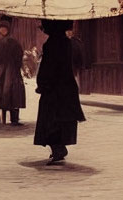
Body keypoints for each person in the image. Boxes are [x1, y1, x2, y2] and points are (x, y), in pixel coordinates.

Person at [34, 20, 86, 164]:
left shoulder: (51, 44)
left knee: (50, 120)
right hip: (67, 87)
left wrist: (42, 83)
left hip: (53, 88)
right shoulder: (68, 43)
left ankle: (58, 149)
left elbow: (47, 67)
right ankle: (59, 148)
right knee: (62, 120)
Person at [0, 16, 26, 126]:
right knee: (0, 93)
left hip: (12, 72)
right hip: (1, 72)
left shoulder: (14, 43)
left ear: (8, 29)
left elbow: (19, 57)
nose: (3, 30)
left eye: (5, 28)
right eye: (1, 28)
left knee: (13, 94)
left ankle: (14, 119)